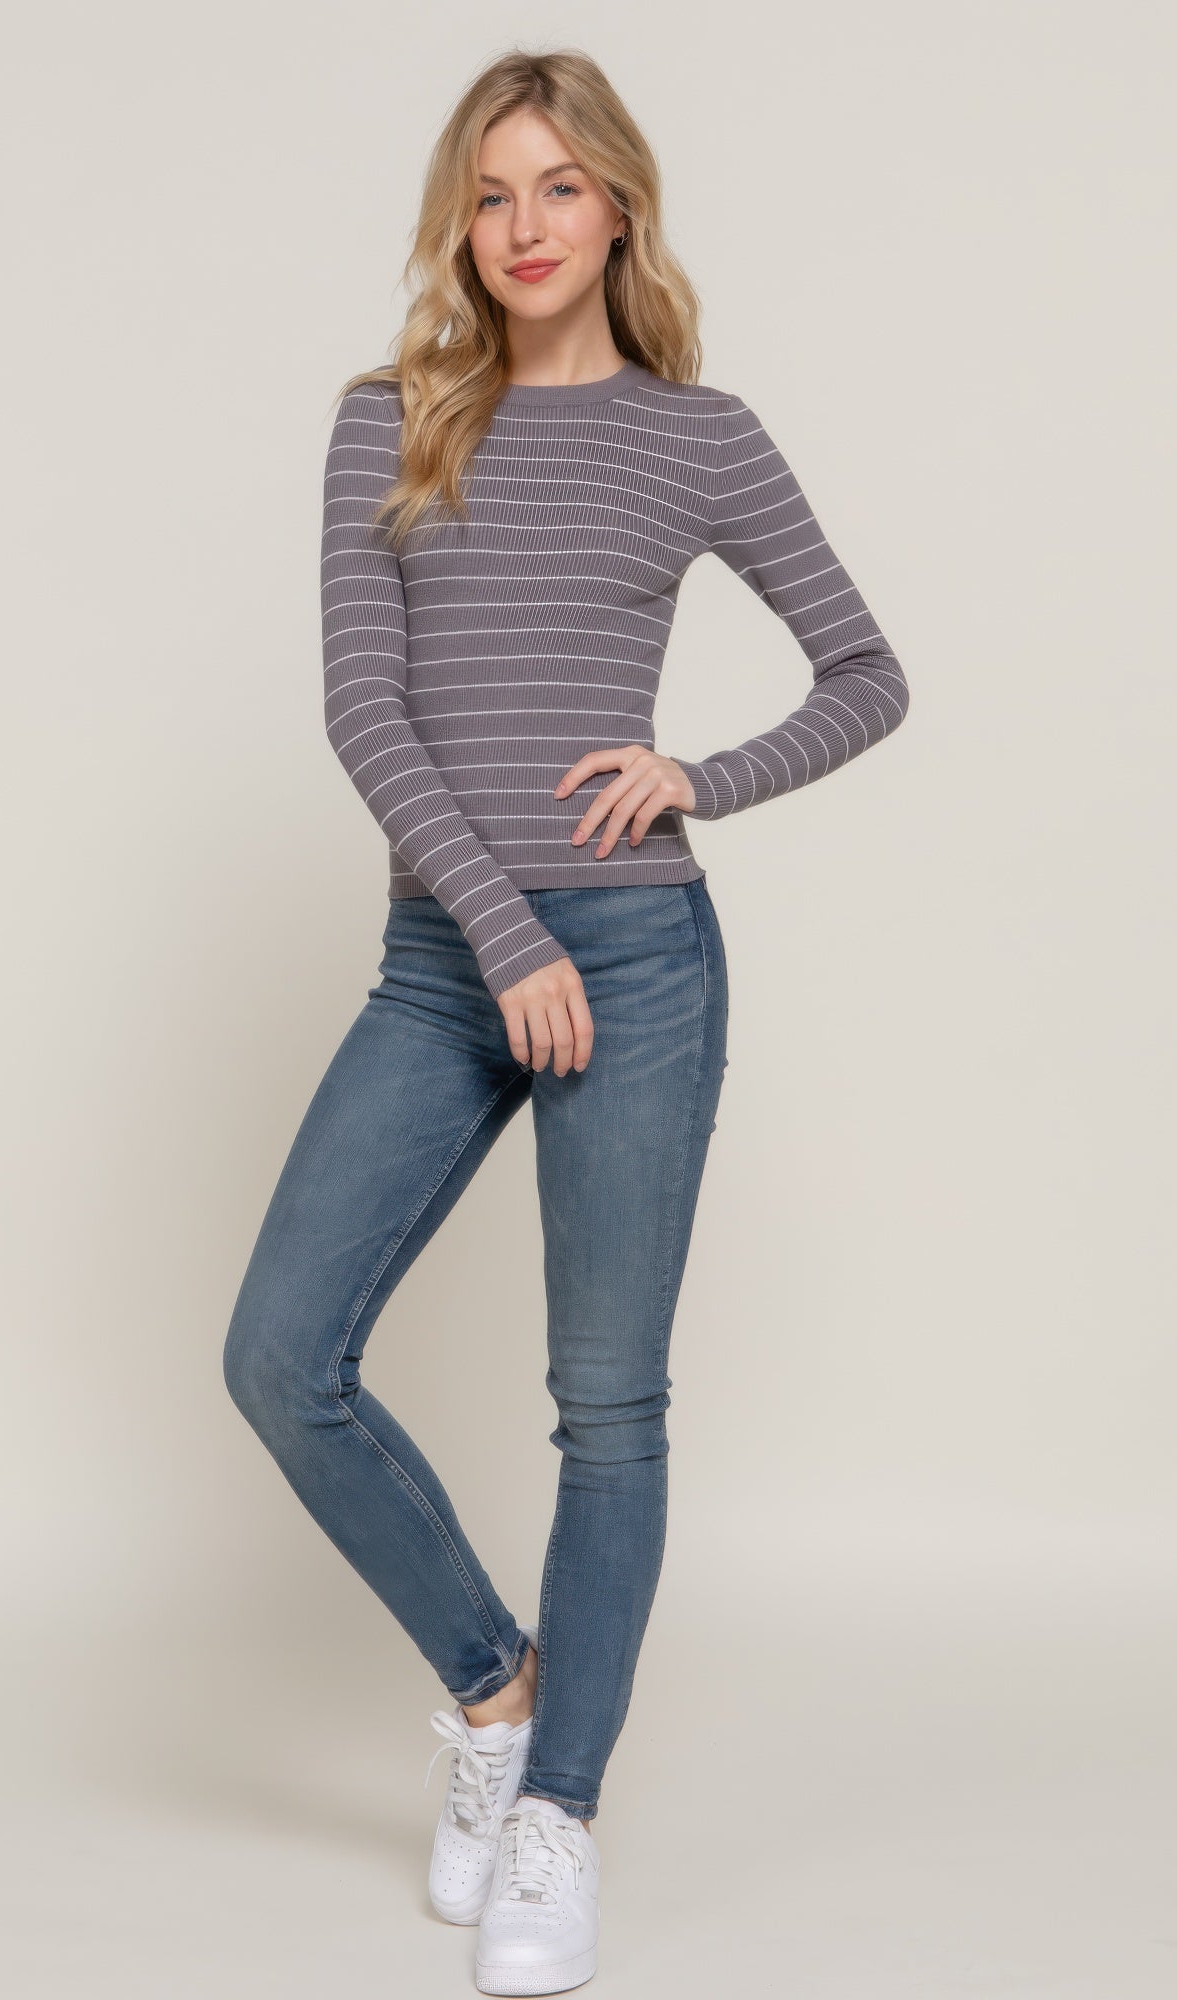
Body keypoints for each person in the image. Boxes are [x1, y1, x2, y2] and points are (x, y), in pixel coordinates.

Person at [223, 44, 910, 1998]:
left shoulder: (700, 438)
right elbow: (365, 711)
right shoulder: (390, 420)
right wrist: (504, 929)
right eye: (487, 192)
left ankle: (560, 1816)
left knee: (608, 1406)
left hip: (640, 959)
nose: (520, 226)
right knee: (279, 1354)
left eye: (555, 186)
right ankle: (495, 1694)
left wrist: (700, 773)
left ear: (617, 206)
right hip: (454, 960)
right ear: (461, 223)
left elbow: (864, 674)